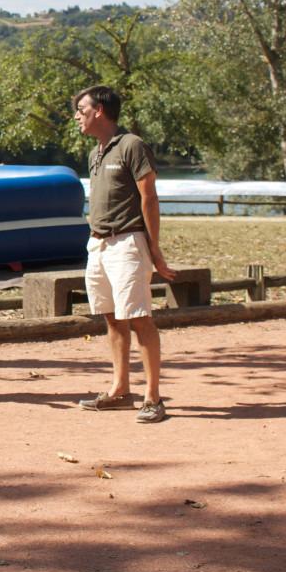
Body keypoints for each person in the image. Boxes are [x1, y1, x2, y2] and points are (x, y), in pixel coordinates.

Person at [73, 85, 175, 424]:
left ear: (99, 110)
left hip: (128, 243)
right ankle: (120, 391)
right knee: (112, 318)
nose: (77, 116)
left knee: (139, 317)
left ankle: (153, 398)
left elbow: (150, 199)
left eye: (81, 110)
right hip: (98, 244)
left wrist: (155, 249)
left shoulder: (132, 145)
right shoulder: (96, 152)